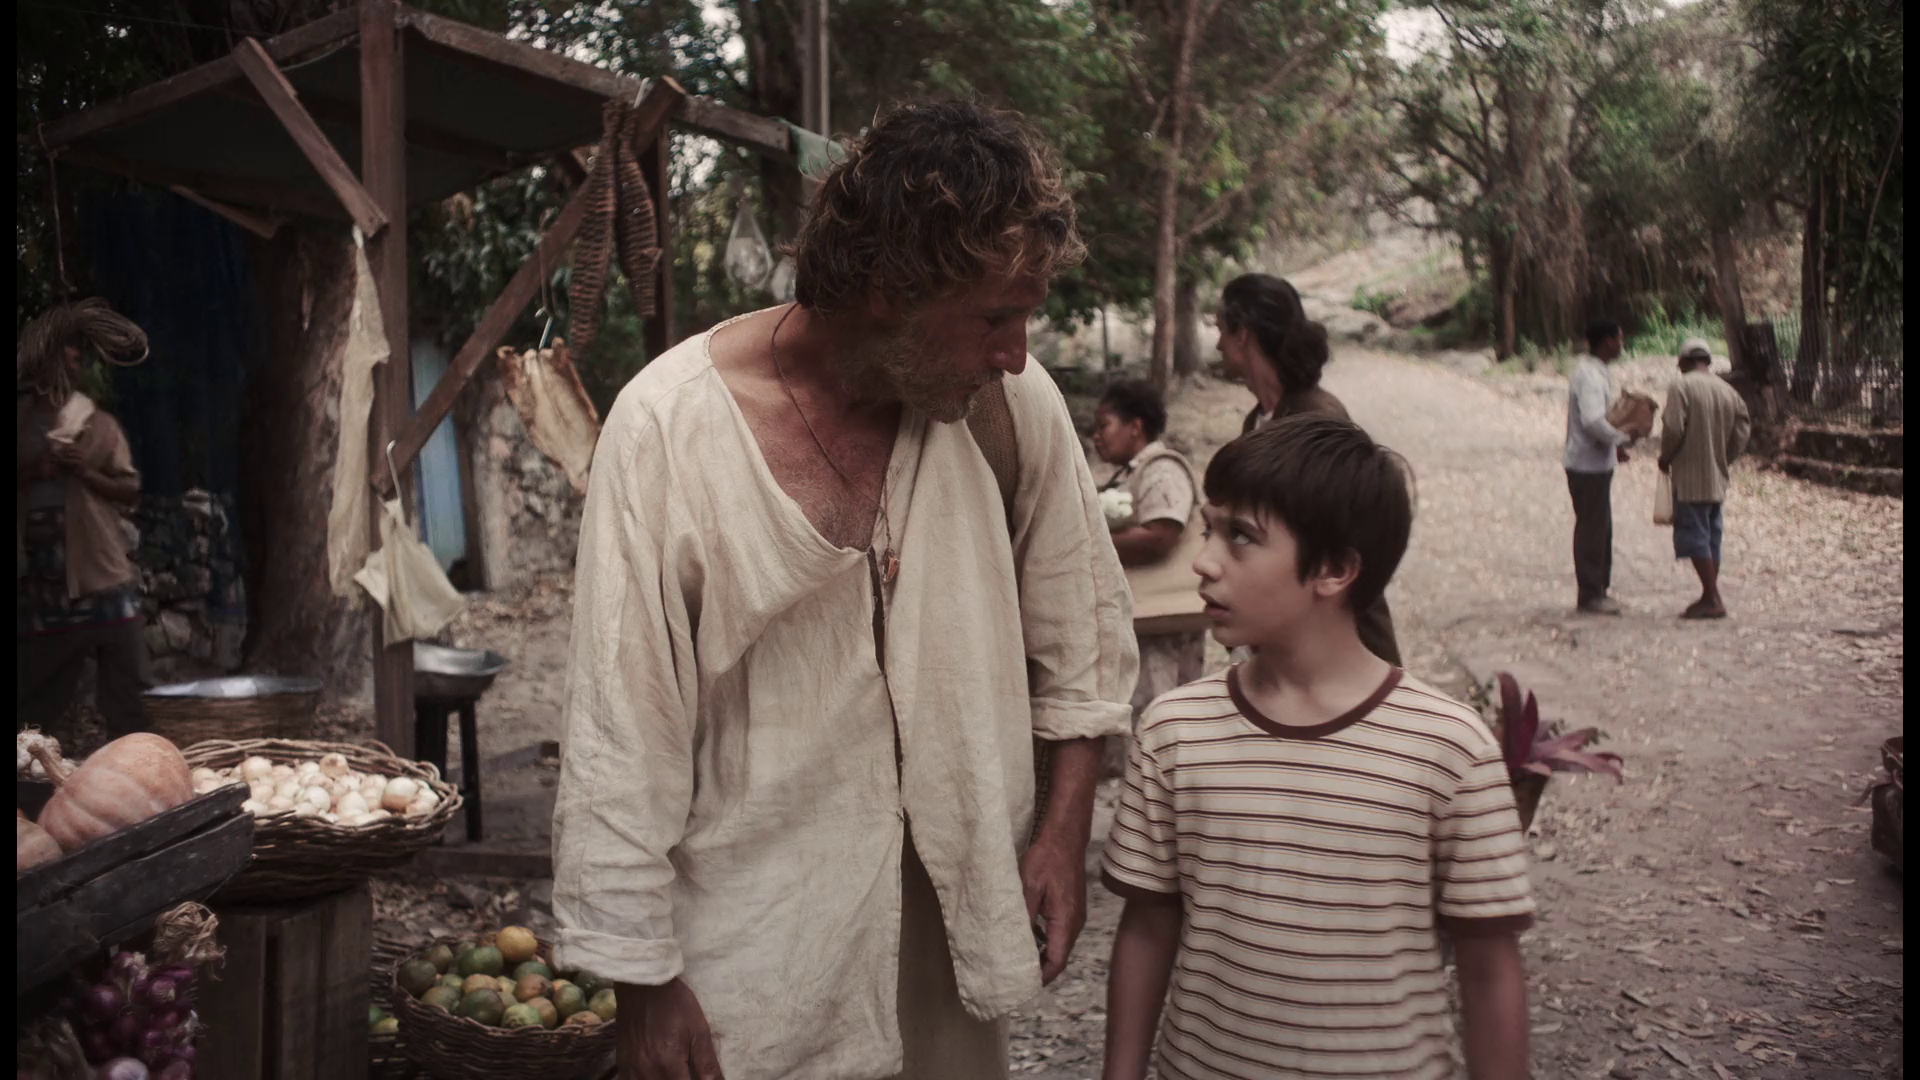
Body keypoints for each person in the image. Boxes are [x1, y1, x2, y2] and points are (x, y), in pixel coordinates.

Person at [550, 101, 1138, 1080]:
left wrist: (1062, 833)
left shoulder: (1005, 405)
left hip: (955, 935)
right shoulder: (667, 429)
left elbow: (1082, 632)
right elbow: (622, 726)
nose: (1016, 353)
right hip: (755, 946)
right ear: (887, 290)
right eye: (995, 318)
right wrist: (642, 978)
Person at [1100, 414, 1535, 1080]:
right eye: (1209, 529)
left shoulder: (1448, 750)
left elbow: (1489, 969)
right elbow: (1147, 928)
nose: (1203, 561)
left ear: (1333, 568)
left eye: (1241, 537)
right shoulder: (1174, 731)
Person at [1213, 272, 1403, 666]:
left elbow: (1345, 542)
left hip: (1333, 651)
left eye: (1221, 331)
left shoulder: (1319, 418)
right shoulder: (1258, 421)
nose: (1217, 345)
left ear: (1242, 335)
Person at [17, 300, 151, 737]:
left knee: (128, 686)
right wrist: (35, 469)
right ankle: (31, 768)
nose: (74, 369)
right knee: (37, 697)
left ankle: (133, 761)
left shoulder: (100, 426)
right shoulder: (20, 424)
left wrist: (85, 472)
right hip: (43, 582)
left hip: (99, 571)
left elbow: (129, 490)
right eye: (67, 360)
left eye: (77, 361)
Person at [1091, 380, 1207, 761]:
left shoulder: (1162, 470)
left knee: (1161, 719)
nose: (1097, 437)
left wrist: (1092, 544)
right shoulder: (1131, 474)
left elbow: (1162, 535)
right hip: (1145, 624)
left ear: (1135, 427)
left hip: (1163, 625)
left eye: (1104, 425)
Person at [1658, 338, 1752, 619]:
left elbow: (1673, 428)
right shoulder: (1727, 391)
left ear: (1684, 362)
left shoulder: (1681, 387)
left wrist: (1666, 457)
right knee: (1712, 537)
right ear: (1707, 362)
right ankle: (1708, 593)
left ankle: (1712, 598)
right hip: (1716, 477)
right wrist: (1724, 457)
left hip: (1689, 477)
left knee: (1695, 535)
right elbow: (1743, 429)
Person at [1565, 318, 1652, 615]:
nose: (1621, 345)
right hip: (1586, 465)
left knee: (1601, 527)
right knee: (1592, 528)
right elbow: (1592, 421)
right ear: (1608, 341)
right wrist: (1620, 438)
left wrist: (1615, 447)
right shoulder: (1589, 376)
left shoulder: (1596, 371)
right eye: (1619, 339)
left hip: (1596, 463)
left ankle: (1599, 588)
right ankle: (1590, 594)